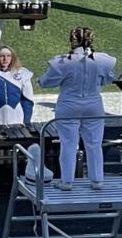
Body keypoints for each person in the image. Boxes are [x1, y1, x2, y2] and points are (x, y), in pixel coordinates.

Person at [38, 26, 116, 190]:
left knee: (68, 144)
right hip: (93, 104)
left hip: (69, 104)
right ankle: (97, 180)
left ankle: (67, 181)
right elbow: (107, 79)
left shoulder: (64, 62)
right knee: (94, 143)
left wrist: (41, 79)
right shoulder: (101, 60)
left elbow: (46, 82)